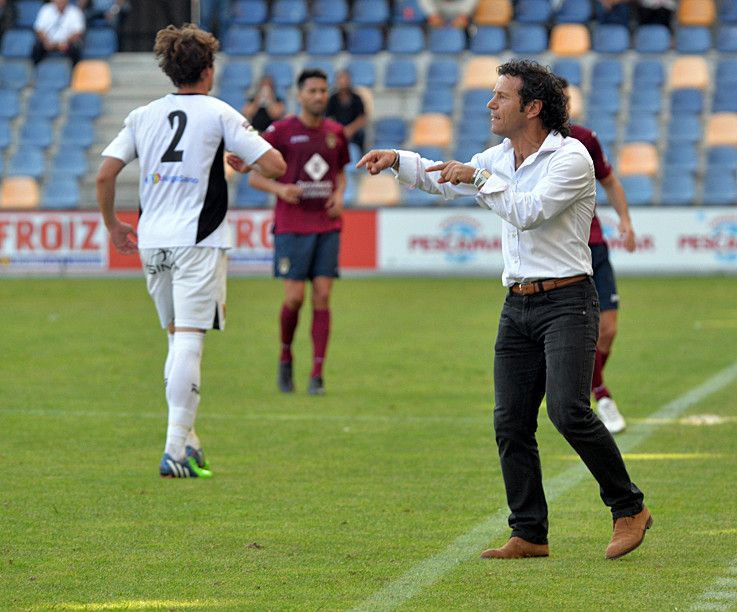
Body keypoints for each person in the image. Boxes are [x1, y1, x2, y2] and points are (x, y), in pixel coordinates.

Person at [357, 59, 651, 560]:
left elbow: (529, 211)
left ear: (532, 107)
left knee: (567, 410)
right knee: (511, 421)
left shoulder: (571, 157)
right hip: (517, 303)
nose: (490, 103)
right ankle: (530, 533)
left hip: (568, 301)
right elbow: (447, 180)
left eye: (501, 96)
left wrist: (479, 176)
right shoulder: (500, 155)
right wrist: (398, 159)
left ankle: (629, 508)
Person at [96, 24, 285, 478]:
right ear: (208, 68)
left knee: (176, 337)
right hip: (198, 241)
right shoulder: (218, 113)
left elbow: (105, 175)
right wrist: (244, 158)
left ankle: (188, 440)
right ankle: (175, 448)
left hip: (153, 240)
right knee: (189, 341)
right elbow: (276, 165)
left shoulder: (143, 115)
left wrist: (112, 225)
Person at [250, 69, 349, 396]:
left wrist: (338, 195)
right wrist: (279, 189)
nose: (319, 96)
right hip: (292, 226)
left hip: (327, 225)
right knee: (294, 298)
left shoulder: (336, 132)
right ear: (300, 95)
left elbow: (340, 172)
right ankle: (285, 355)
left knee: (322, 296)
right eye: (313, 91)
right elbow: (253, 176)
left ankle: (317, 374)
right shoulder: (280, 132)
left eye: (323, 90)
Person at [556, 78, 637, 434]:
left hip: (595, 247)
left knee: (608, 329)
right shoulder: (527, 146)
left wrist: (625, 220)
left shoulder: (585, 139)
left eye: (567, 100)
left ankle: (587, 387)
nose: (566, 106)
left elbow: (609, 180)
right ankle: (600, 393)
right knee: (576, 336)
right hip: (562, 253)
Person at [325, 70, 367, 155]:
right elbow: (328, 118)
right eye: (340, 79)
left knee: (361, 134)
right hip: (337, 130)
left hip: (353, 131)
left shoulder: (356, 98)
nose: (343, 82)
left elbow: (362, 118)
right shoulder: (332, 98)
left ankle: (361, 158)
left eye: (345, 79)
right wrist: (339, 130)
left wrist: (350, 130)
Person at [31, 0, 85, 65]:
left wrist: (67, 41)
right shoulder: (46, 9)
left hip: (67, 44)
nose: (60, 2)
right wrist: (46, 41)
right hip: (48, 43)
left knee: (75, 49)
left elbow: (78, 32)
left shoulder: (75, 11)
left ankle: (74, 72)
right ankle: (34, 71)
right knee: (36, 48)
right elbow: (38, 29)